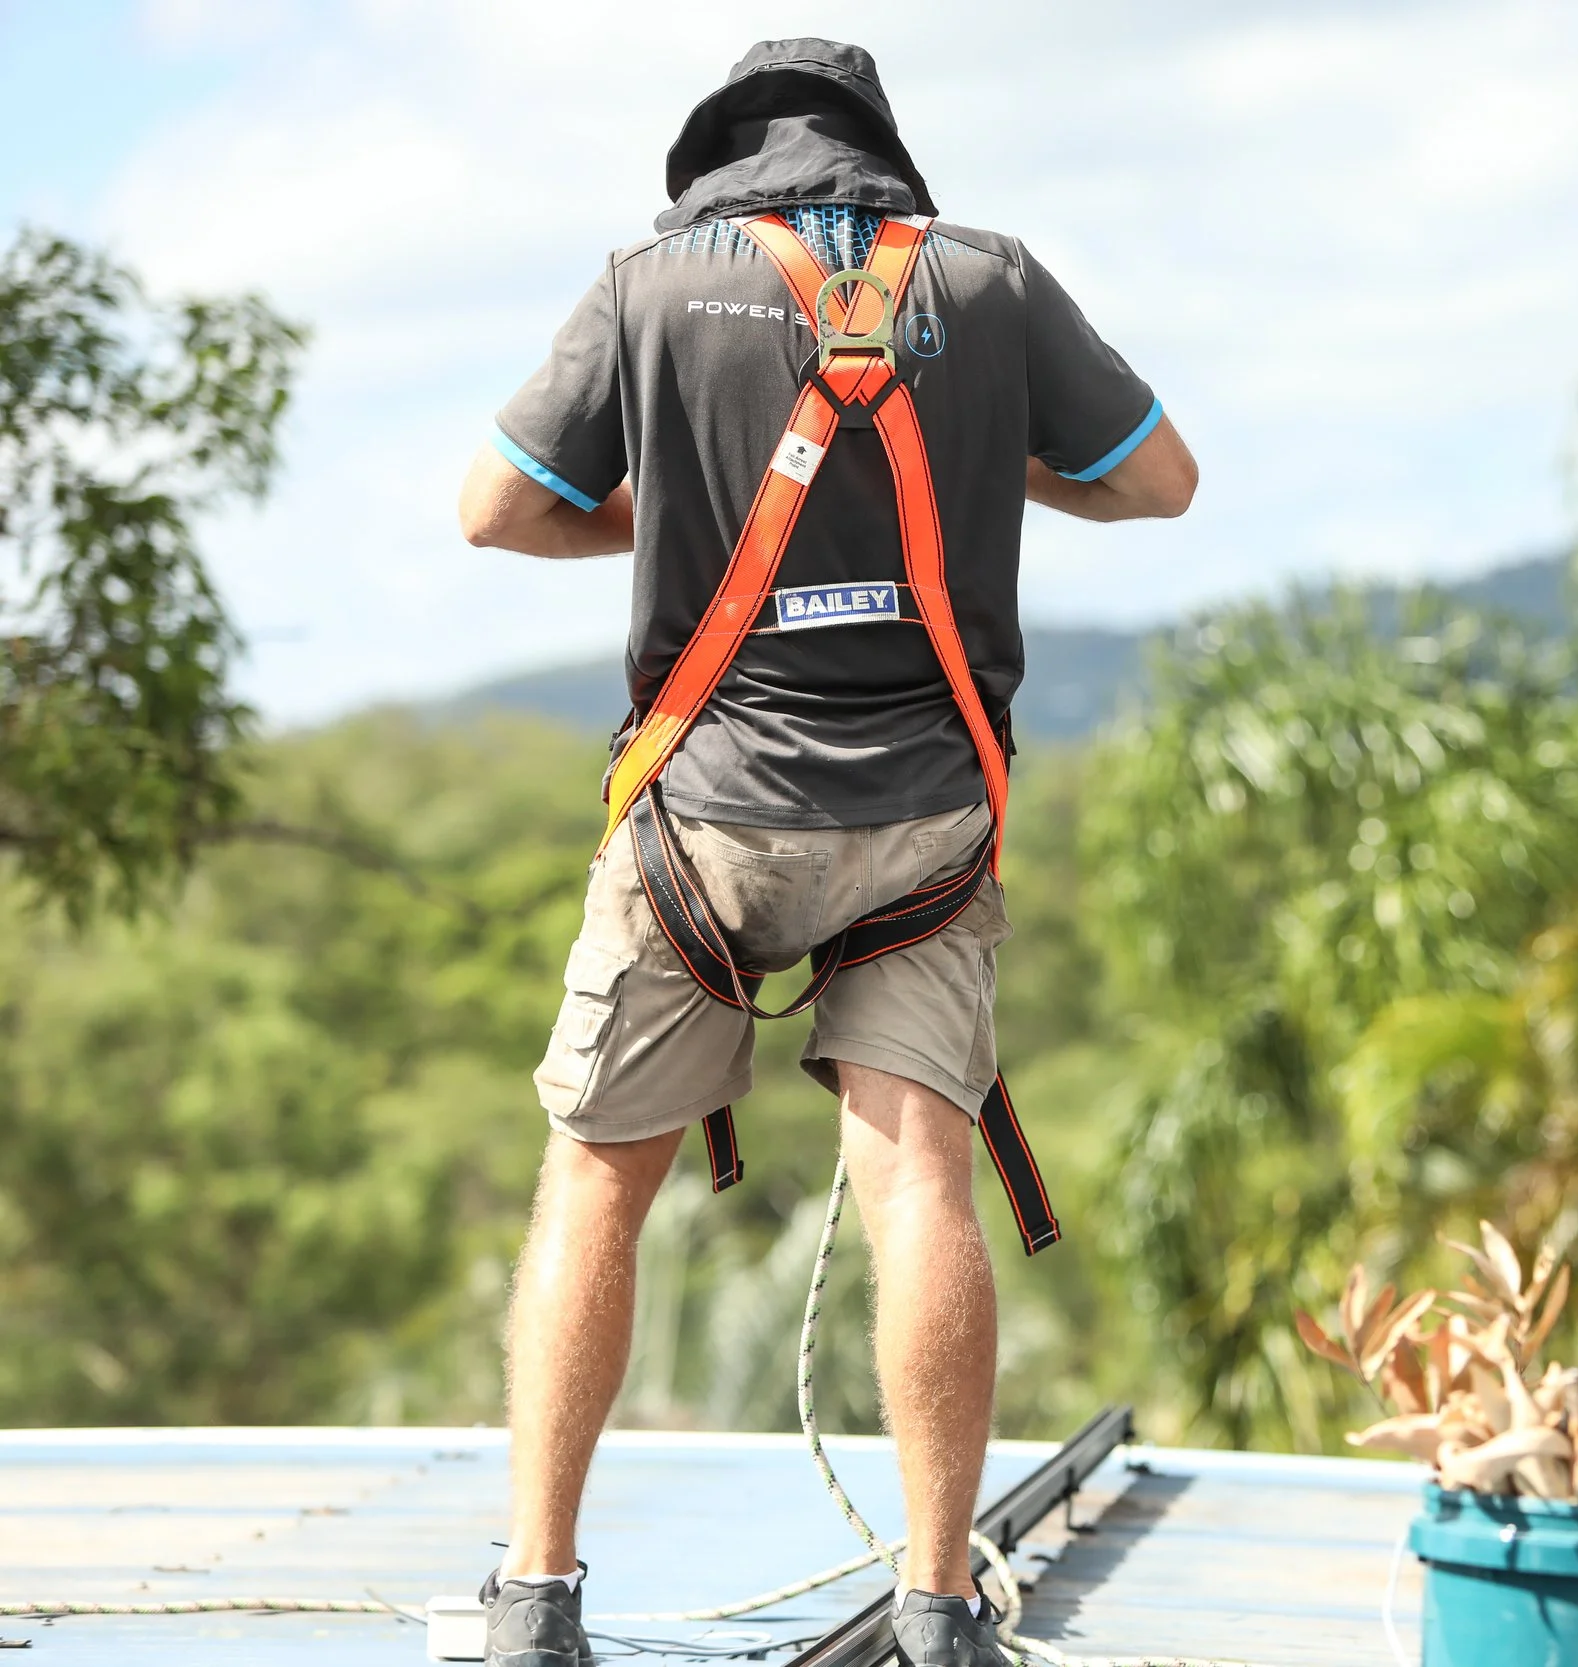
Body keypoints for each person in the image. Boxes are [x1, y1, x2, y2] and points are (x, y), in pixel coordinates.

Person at [455, 38, 1195, 1667]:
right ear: (882, 155)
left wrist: (680, 510)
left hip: (698, 821)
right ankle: (938, 1611)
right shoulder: (990, 284)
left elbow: (494, 511)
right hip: (923, 815)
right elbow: (1159, 481)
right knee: (922, 1173)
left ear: (718, 156)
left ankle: (535, 1598)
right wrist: (975, 456)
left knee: (595, 1181)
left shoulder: (648, 287)